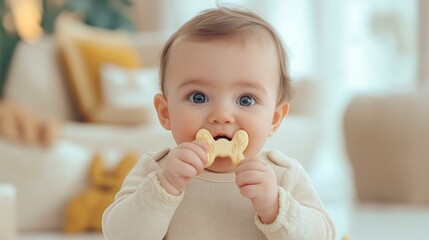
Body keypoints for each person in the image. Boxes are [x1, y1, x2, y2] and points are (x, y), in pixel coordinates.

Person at [102, 5, 336, 240]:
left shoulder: (283, 176)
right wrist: (164, 188)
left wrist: (275, 207)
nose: (222, 114)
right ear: (165, 113)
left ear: (274, 119)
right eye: (198, 97)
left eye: (246, 100)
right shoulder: (157, 170)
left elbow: (324, 235)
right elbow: (118, 235)